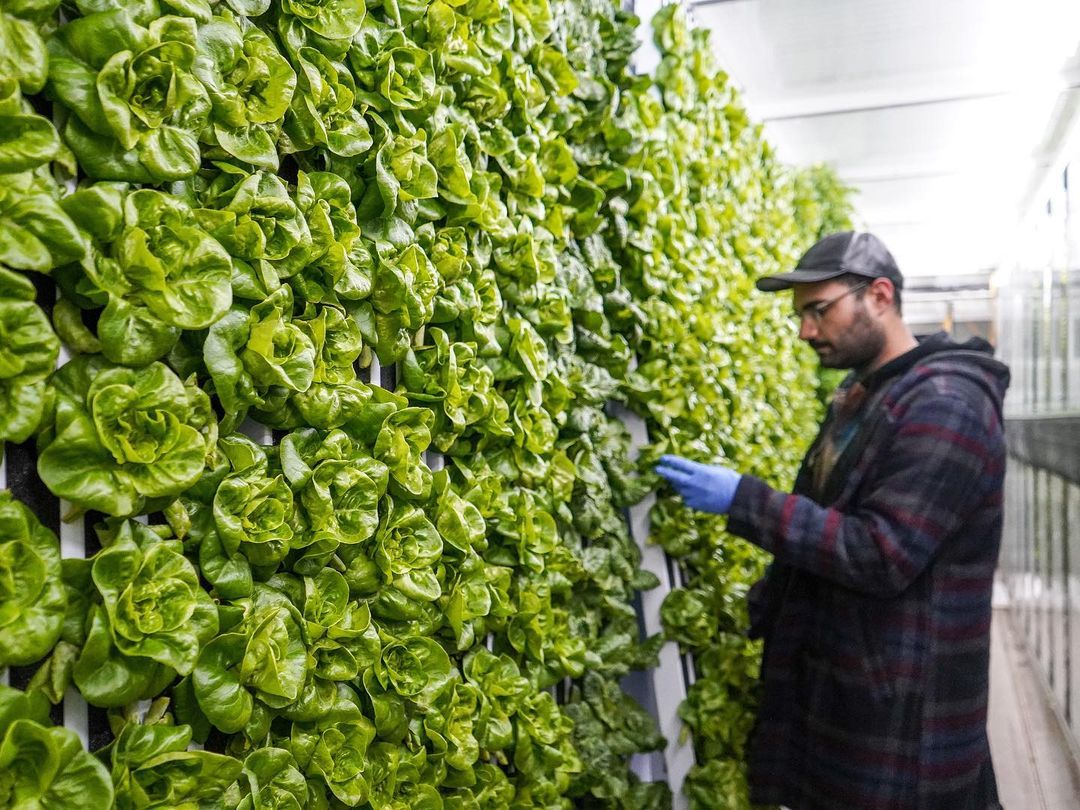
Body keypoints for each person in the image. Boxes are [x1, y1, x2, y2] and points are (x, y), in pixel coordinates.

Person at [655, 231, 1009, 810]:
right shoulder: (863, 395)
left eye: (819, 311)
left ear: (879, 295)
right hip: (851, 690)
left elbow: (880, 552)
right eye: (801, 315)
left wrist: (743, 499)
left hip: (901, 711)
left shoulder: (948, 403)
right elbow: (826, 521)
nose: (805, 331)